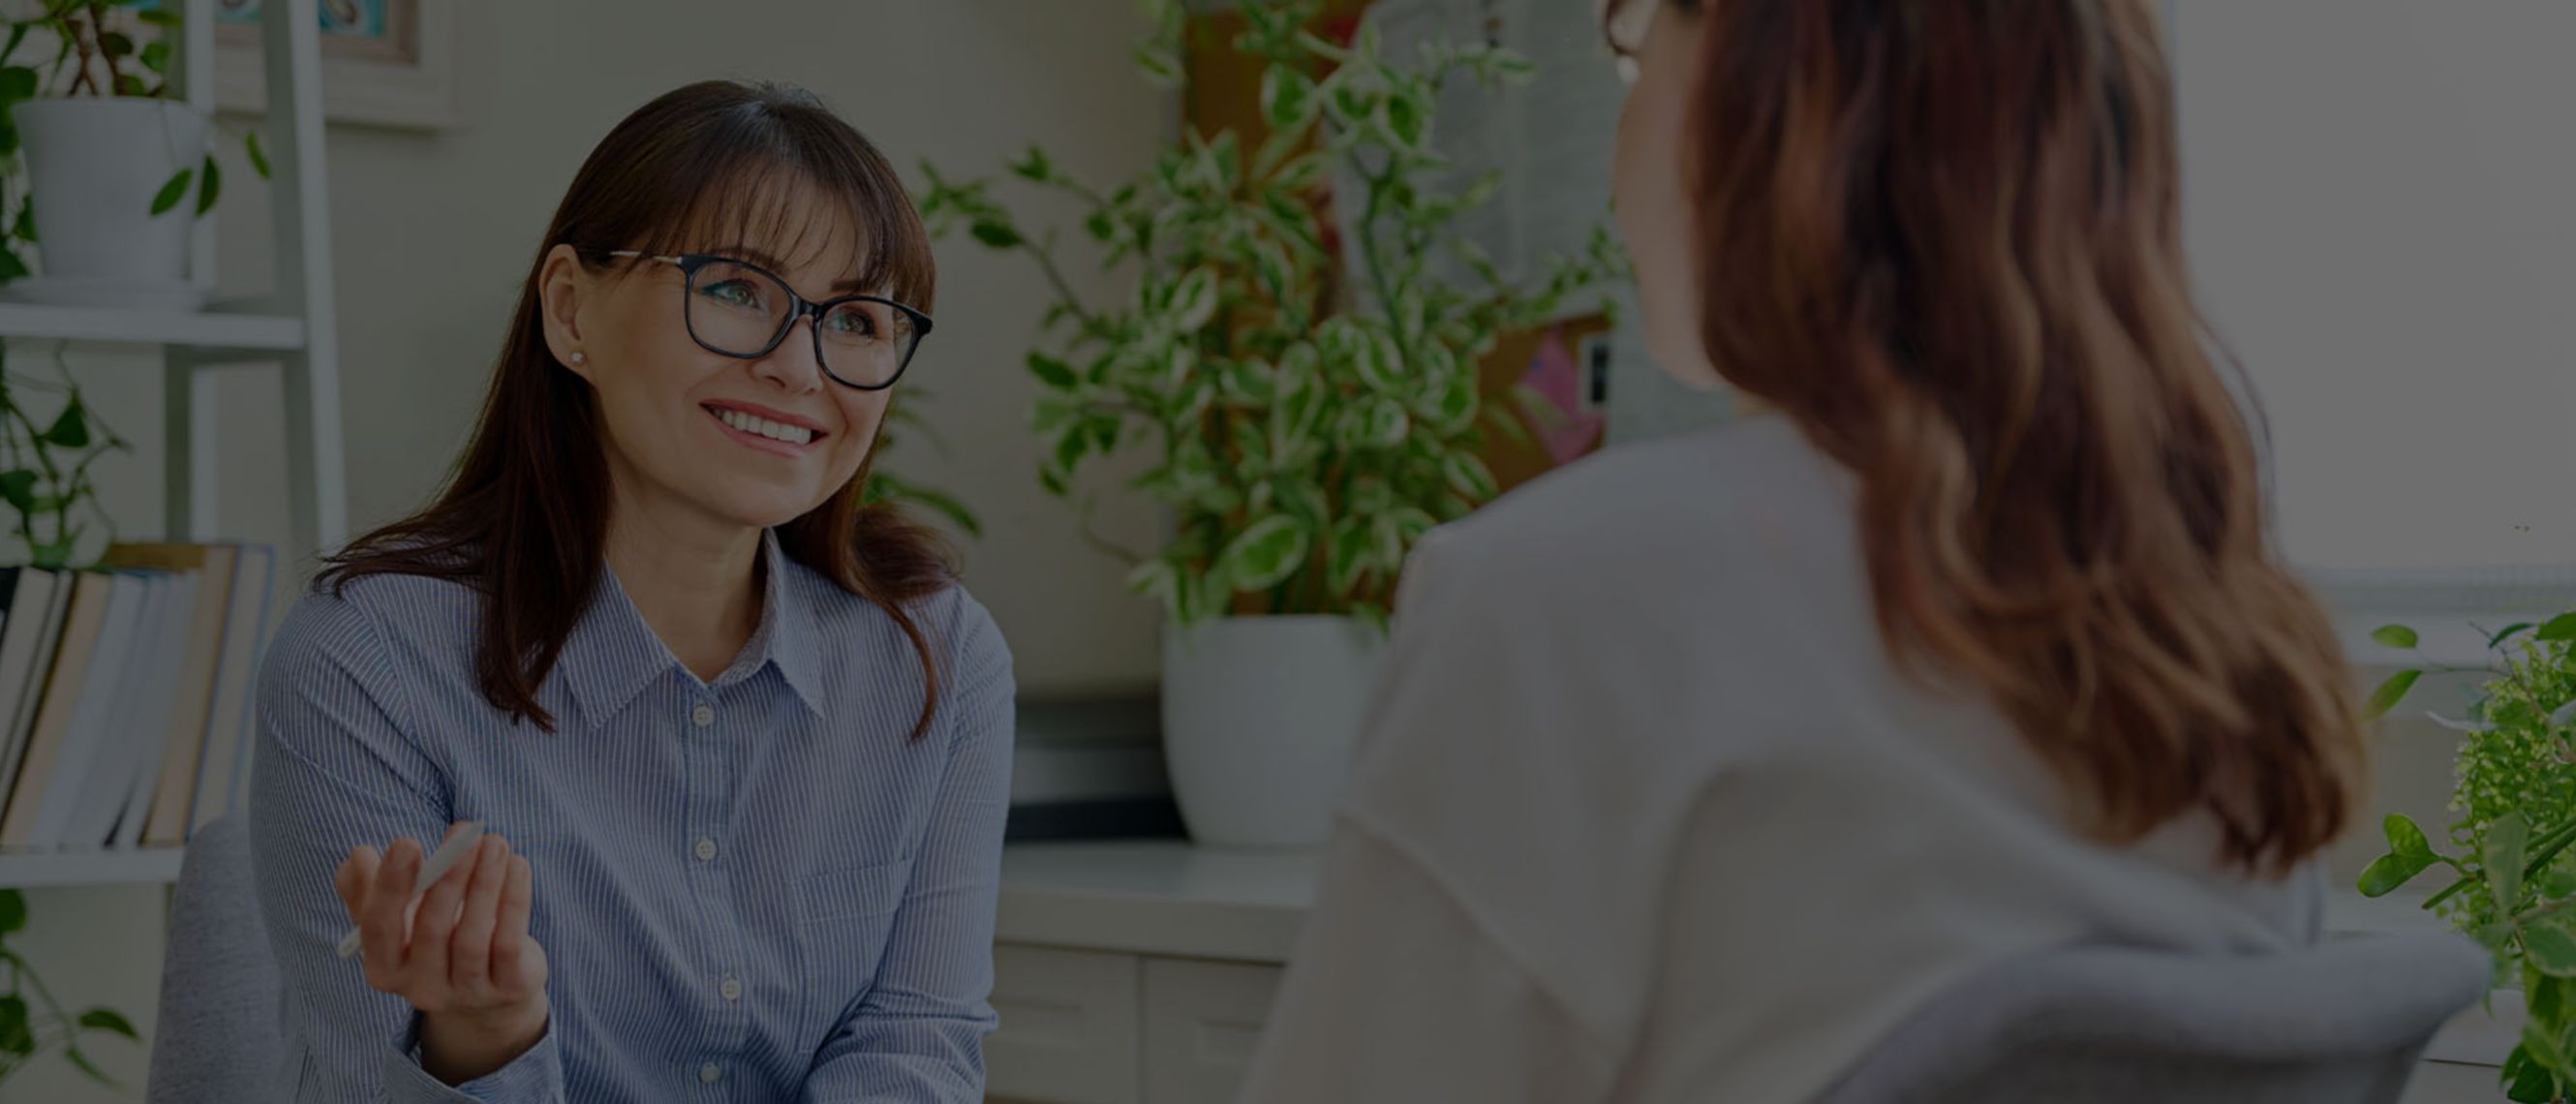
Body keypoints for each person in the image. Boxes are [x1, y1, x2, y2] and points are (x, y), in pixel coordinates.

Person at [1234, 1, 2363, 1099]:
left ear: (1750, 91)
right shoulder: (2227, 662)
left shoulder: (1562, 601)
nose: (1618, 141)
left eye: (1631, 58)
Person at [248, 80, 1014, 1102]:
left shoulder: (936, 657)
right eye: (736, 289)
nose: (799, 366)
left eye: (858, 319)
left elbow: (916, 1047)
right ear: (571, 311)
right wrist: (485, 1039)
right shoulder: (371, 660)